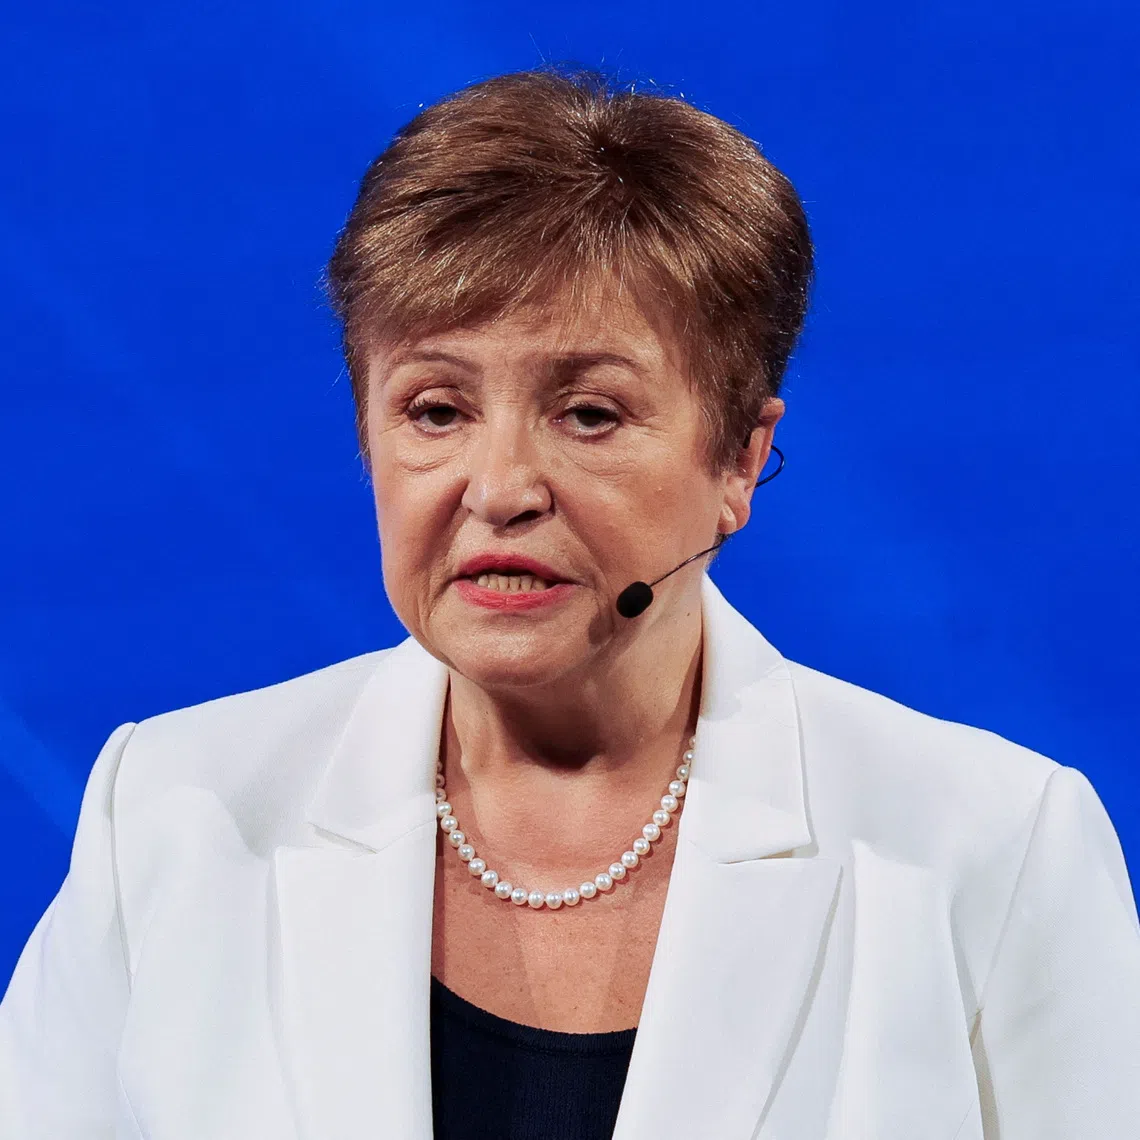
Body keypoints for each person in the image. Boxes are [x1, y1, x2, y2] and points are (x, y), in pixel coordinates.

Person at [2, 66, 1138, 1140]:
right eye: (435, 410)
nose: (498, 491)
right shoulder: (170, 817)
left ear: (741, 458)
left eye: (589, 415)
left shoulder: (989, 851)